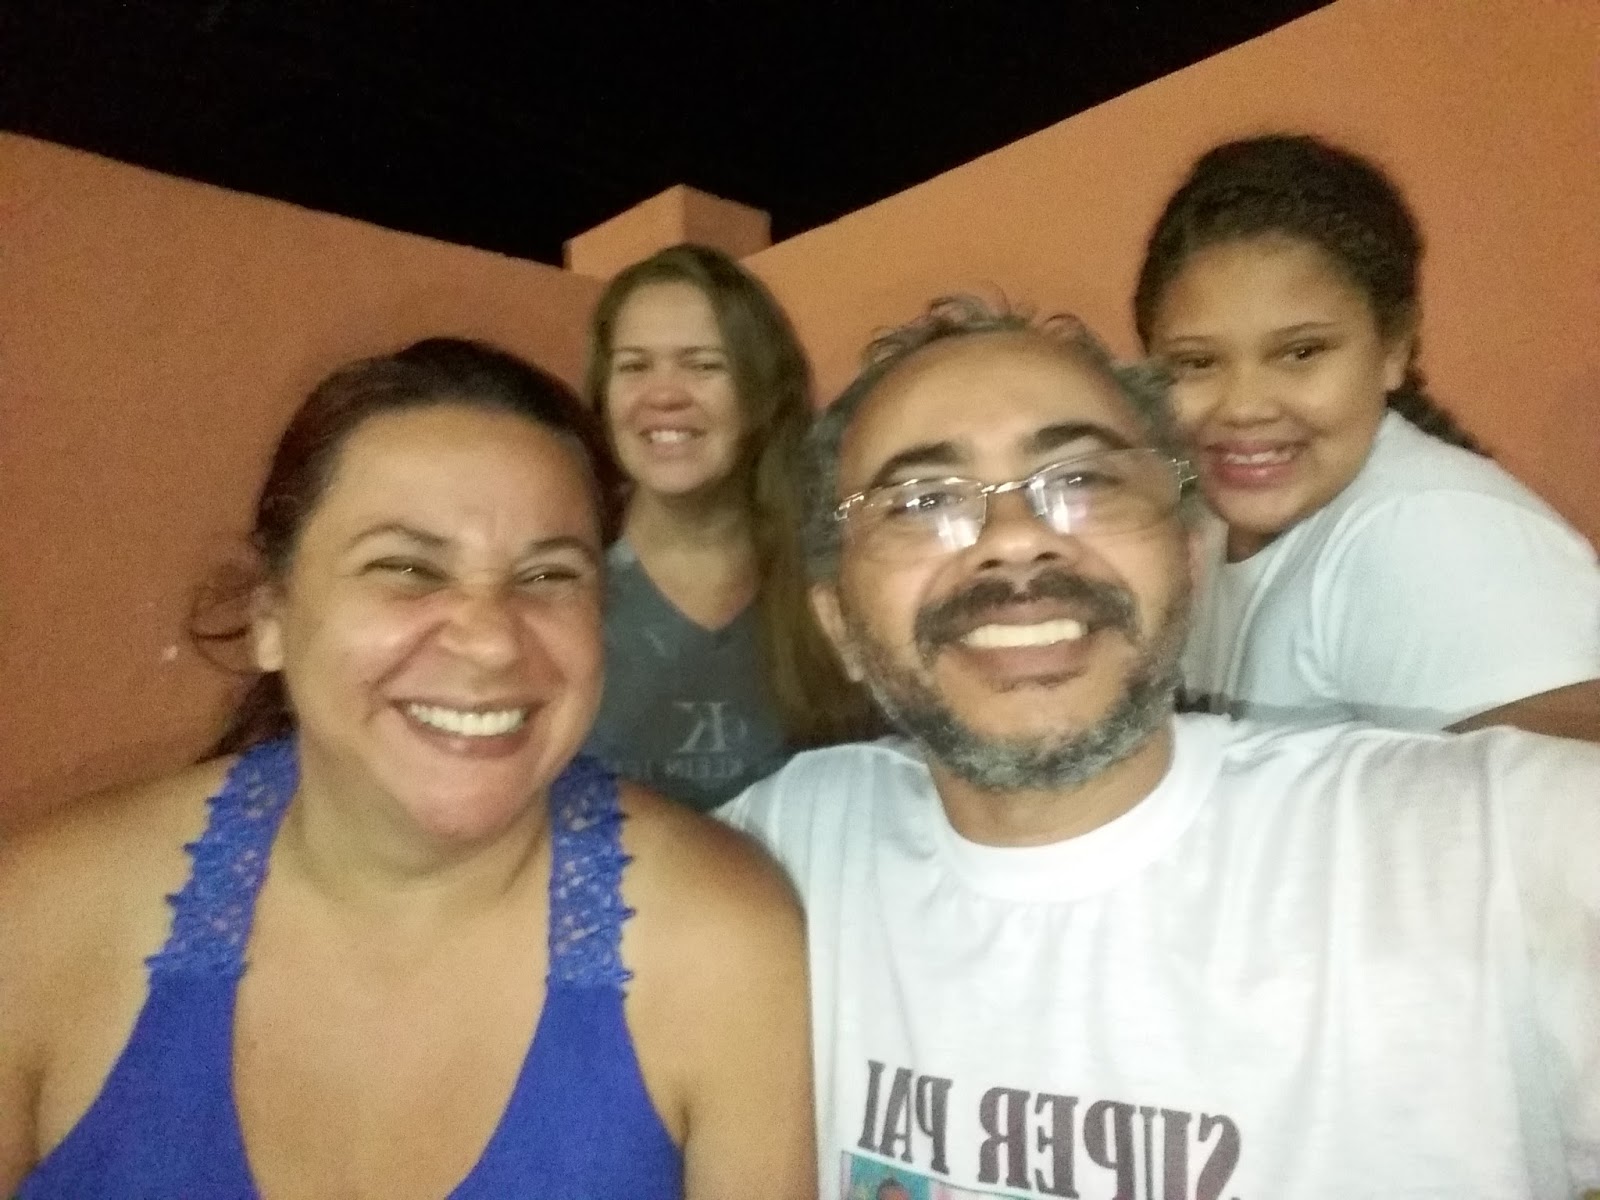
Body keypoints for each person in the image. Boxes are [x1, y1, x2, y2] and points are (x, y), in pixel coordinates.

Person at [719, 297, 1600, 1196]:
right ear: (839, 624)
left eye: (1082, 479)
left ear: (1187, 557)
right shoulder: (788, 846)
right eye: (923, 501)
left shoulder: (1489, 850)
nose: (1014, 538)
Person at [0, 338, 815, 1198]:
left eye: (548, 575)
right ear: (270, 613)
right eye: (407, 568)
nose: (491, 639)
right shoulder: (45, 916)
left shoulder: (722, 950)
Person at [1133, 133, 1600, 740]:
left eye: (1302, 352)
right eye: (1196, 363)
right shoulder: (1209, 517)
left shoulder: (1431, 535)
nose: (1243, 407)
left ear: (1393, 347)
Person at [581, 244, 876, 812]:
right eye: (634, 366)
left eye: (703, 365)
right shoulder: (560, 571)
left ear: (763, 389)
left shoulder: (835, 571)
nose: (664, 394)